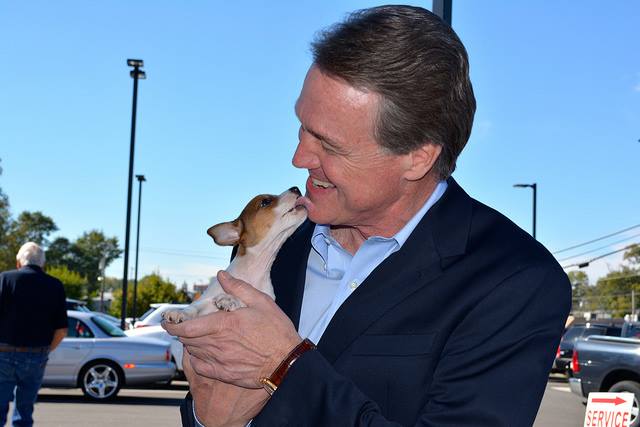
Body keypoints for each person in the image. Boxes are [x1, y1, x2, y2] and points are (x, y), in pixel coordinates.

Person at [164, 5, 571, 426]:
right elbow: (213, 402)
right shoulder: (278, 243)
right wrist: (207, 415)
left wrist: (284, 368)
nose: (300, 157)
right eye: (303, 127)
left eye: (329, 144)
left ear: (417, 157)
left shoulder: (514, 281)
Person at [0, 242, 67, 427]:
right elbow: (62, 330)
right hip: (36, 354)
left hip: (3, 353)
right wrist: (45, 350)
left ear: (18, 262)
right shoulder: (55, 285)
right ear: (43, 264)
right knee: (24, 411)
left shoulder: (4, 279)